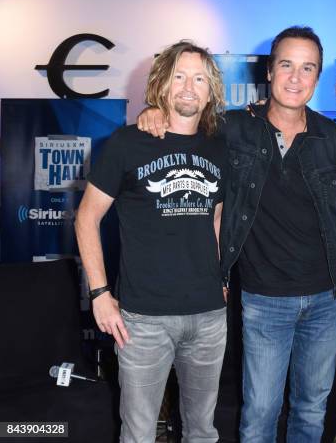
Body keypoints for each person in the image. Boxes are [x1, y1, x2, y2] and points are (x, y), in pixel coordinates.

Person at [137, 27, 336, 443]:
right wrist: (154, 111)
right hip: (264, 299)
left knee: (312, 410)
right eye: (286, 65)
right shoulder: (233, 129)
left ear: (318, 76)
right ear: (269, 72)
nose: (295, 76)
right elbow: (185, 117)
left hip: (328, 297)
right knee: (259, 414)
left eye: (307, 68)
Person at [76, 41, 228, 443]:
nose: (188, 87)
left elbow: (216, 217)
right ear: (162, 84)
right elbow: (86, 217)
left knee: (203, 432)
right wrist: (99, 293)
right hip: (143, 321)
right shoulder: (127, 143)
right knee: (139, 433)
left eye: (199, 78)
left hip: (209, 317)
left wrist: (222, 278)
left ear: (211, 90)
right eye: (179, 76)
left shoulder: (220, 146)